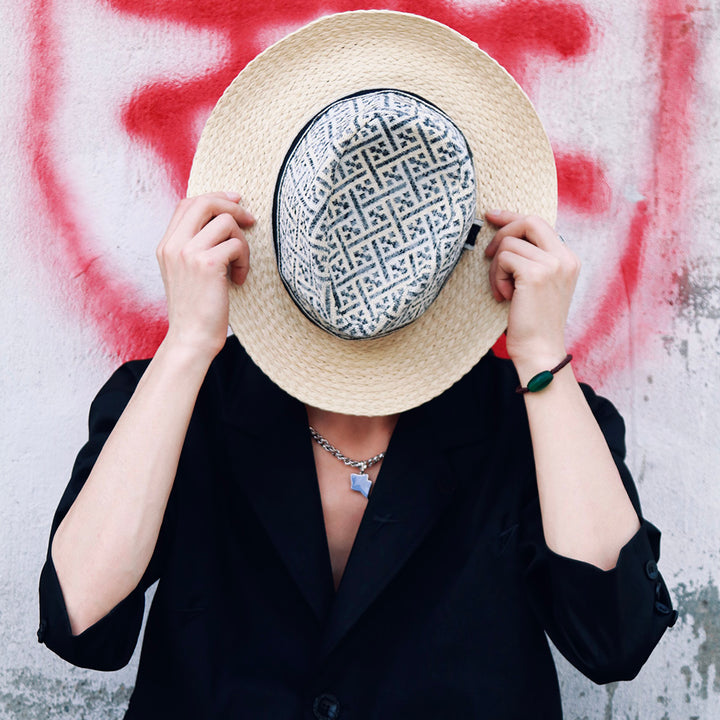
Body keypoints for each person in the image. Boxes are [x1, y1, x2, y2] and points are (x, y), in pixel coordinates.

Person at [38, 11, 676, 719]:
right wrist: (188, 343)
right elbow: (81, 621)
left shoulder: (531, 419)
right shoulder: (179, 404)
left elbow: (614, 640)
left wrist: (540, 356)